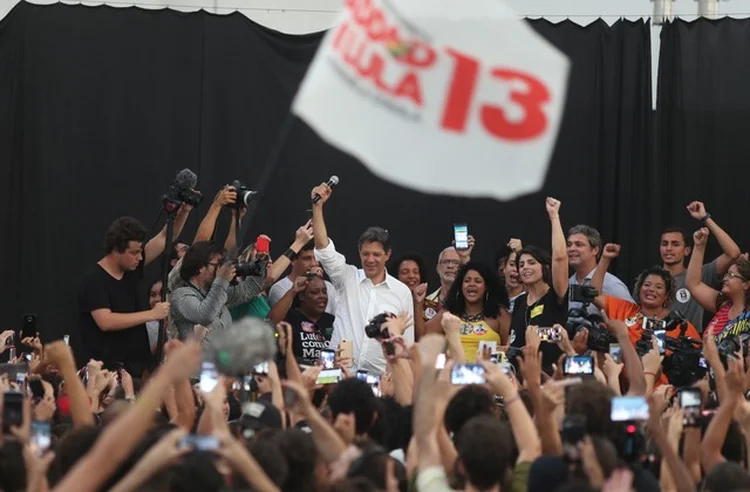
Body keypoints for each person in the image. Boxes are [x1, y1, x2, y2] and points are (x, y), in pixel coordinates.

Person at [310, 181, 413, 374]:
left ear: (387, 255)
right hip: (337, 373)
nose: (370, 260)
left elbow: (407, 341)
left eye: (376, 254)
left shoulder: (402, 291)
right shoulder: (346, 276)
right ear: (359, 252)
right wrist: (317, 206)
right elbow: (323, 248)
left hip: (380, 379)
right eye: (365, 254)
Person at [78, 209, 191, 375]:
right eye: (134, 252)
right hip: (107, 372)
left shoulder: (130, 270)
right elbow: (106, 321)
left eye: (140, 251)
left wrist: (185, 210)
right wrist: (152, 314)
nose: (139, 257)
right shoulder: (94, 280)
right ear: (116, 250)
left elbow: (165, 237)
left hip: (137, 367)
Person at [591, 245, 702, 347]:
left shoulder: (679, 325)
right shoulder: (625, 309)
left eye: (658, 287)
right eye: (647, 285)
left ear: (666, 296)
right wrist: (605, 258)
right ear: (639, 290)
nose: (651, 290)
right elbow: (594, 295)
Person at [658, 201, 740, 330]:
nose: (668, 248)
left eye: (675, 244)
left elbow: (733, 254)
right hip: (655, 344)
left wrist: (705, 218)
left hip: (690, 345)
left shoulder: (700, 274)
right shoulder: (649, 279)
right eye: (664, 244)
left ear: (687, 250)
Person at [508, 197, 569, 370]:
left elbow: (560, 258)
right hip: (520, 381)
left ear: (545, 267)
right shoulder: (520, 302)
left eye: (532, 262)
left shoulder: (556, 295)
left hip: (551, 376)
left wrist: (554, 217)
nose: (525, 267)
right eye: (521, 264)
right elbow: (512, 342)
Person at [169, 241, 267, 344]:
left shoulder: (218, 292)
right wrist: (221, 280)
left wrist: (261, 261)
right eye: (218, 265)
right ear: (201, 267)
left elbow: (250, 288)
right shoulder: (180, 295)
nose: (222, 269)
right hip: (194, 358)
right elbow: (205, 315)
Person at [425, 262, 510, 361]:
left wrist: (506, 350)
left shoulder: (499, 314)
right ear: (461, 286)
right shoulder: (449, 314)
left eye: (478, 281)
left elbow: (510, 345)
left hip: (488, 374)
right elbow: (423, 334)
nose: (471, 284)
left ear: (486, 286)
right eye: (467, 281)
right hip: (453, 373)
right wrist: (417, 302)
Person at [686, 227, 750, 341]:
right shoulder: (723, 304)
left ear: (745, 284)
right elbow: (693, 284)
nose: (725, 278)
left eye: (731, 275)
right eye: (726, 274)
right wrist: (699, 247)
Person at [269, 274, 335, 365]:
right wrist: (293, 291)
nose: (322, 296)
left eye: (324, 292)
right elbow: (270, 322)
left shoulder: (332, 321)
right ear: (301, 296)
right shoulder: (290, 319)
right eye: (315, 292)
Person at [567, 224, 633, 313]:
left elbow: (633, 318)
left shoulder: (612, 285)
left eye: (578, 244)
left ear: (595, 250)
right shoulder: (568, 283)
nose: (571, 249)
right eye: (569, 244)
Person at [268, 238, 338, 315]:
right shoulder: (279, 288)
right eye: (307, 259)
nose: (314, 264)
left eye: (316, 259)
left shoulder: (328, 287)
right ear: (293, 261)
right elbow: (293, 317)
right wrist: (310, 279)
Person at [390, 253, 428, 339]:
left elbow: (421, 338)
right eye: (404, 272)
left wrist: (418, 303)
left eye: (416, 272)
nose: (411, 276)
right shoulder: (390, 302)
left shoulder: (431, 305)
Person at [494, 240, 524, 313]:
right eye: (512, 264)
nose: (516, 270)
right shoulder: (492, 298)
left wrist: (521, 252)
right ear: (503, 268)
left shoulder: (532, 298)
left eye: (520, 265)